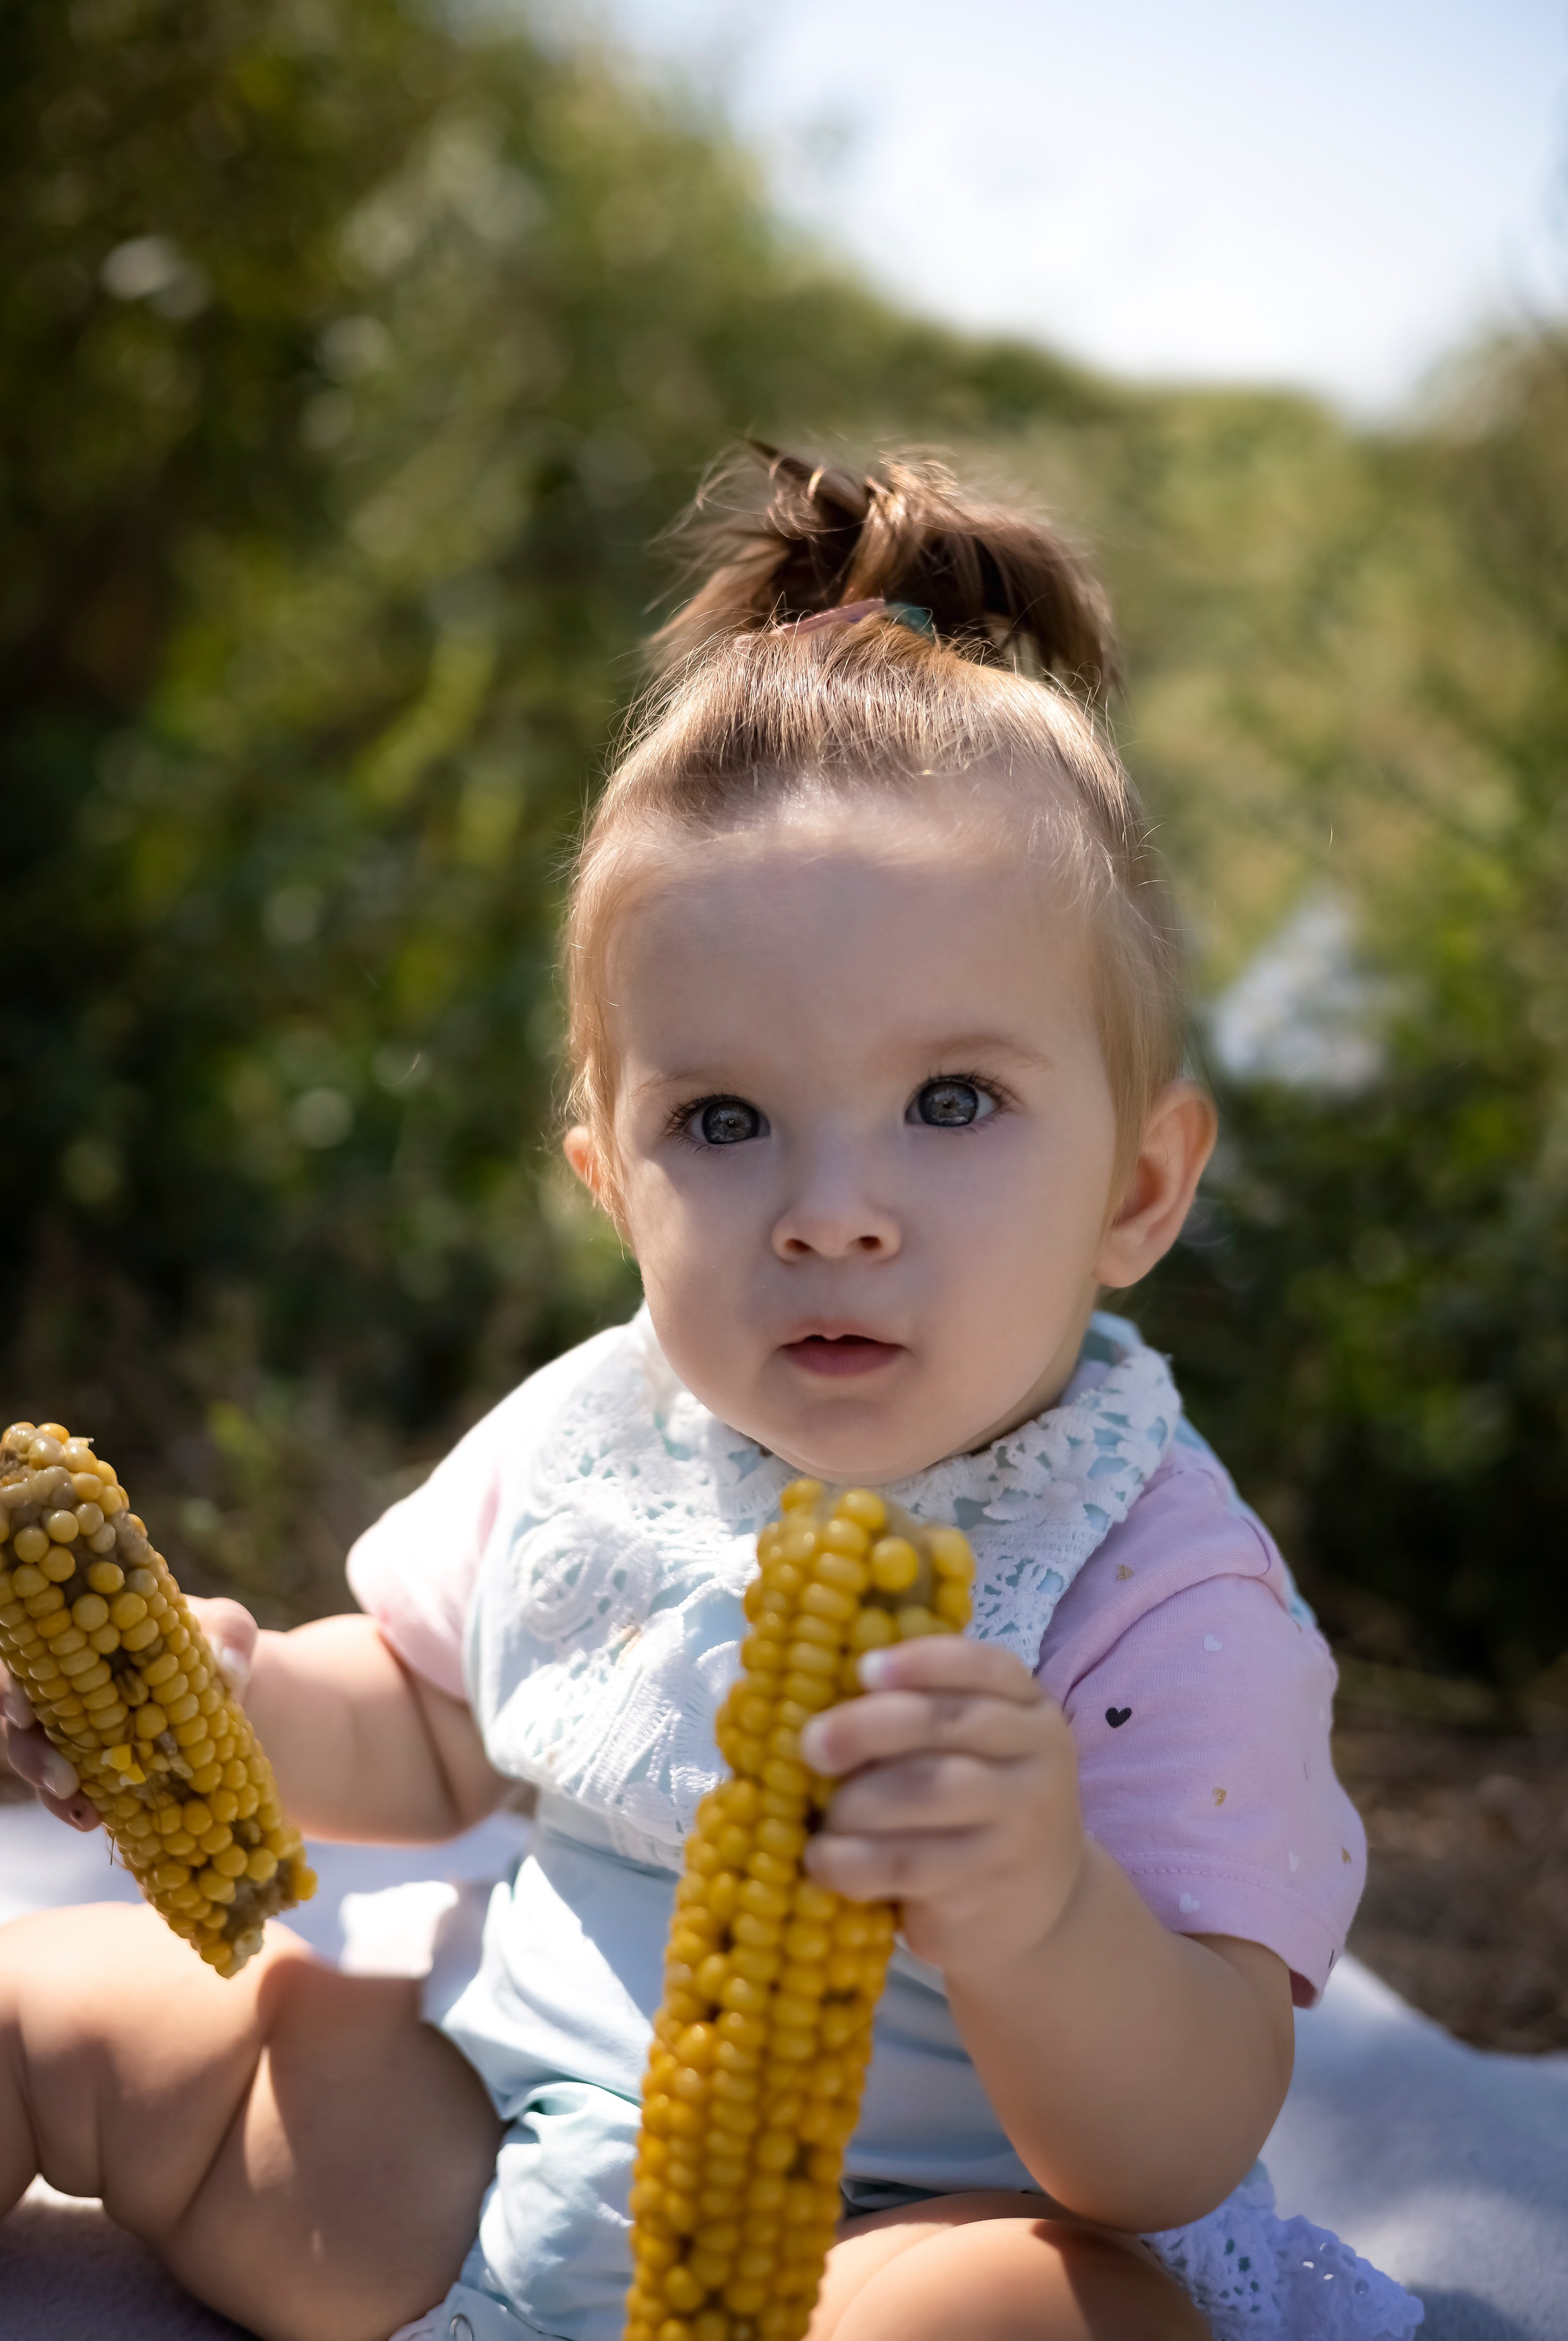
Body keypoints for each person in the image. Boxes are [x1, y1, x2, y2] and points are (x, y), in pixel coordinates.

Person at [0, 450, 1423, 2341]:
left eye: (953, 1103)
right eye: (726, 1121)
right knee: (60, 1998)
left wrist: (1037, 1909)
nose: (832, 1213)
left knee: (1034, 2317)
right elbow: (432, 1726)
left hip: (882, 2237)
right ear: (610, 1182)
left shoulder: (1159, 1592)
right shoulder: (594, 1441)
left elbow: (1178, 2136)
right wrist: (216, 1710)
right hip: (480, 2160)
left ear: (1140, 1188)